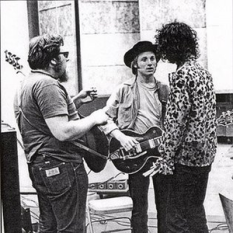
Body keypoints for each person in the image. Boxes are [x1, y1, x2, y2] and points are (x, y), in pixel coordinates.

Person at [13, 34, 109, 233]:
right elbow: (62, 132)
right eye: (64, 54)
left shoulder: (28, 83)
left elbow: (45, 120)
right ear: (54, 59)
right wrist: (94, 118)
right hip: (62, 166)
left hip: (42, 167)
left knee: (49, 227)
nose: (67, 59)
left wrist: (77, 101)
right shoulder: (48, 85)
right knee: (71, 229)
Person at [150, 21, 217, 233]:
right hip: (204, 157)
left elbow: (175, 122)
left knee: (175, 218)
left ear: (171, 47)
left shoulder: (181, 76)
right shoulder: (204, 73)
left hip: (184, 159)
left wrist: (166, 158)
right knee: (195, 210)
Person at [102, 41, 169, 233]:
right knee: (139, 208)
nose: (150, 63)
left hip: (160, 154)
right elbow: (104, 118)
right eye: (144, 59)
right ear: (135, 64)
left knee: (165, 206)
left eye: (153, 59)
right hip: (135, 154)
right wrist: (121, 138)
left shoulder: (165, 89)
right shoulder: (123, 89)